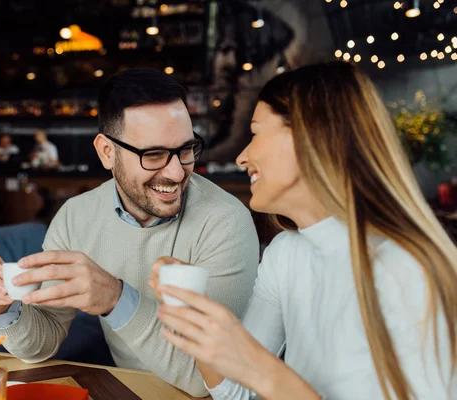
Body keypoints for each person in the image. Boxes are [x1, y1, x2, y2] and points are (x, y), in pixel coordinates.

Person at [151, 61, 457, 399]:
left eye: (255, 133)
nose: (241, 157)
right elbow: (237, 392)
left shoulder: (411, 269)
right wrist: (191, 307)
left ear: (309, 137)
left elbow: (259, 376)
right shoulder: (287, 254)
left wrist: (261, 369)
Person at [0, 67, 260, 397]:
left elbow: (205, 380)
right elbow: (40, 344)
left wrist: (116, 299)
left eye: (186, 149)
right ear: (107, 152)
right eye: (154, 155)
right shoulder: (75, 217)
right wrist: (2, 309)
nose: (178, 171)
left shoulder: (226, 221)